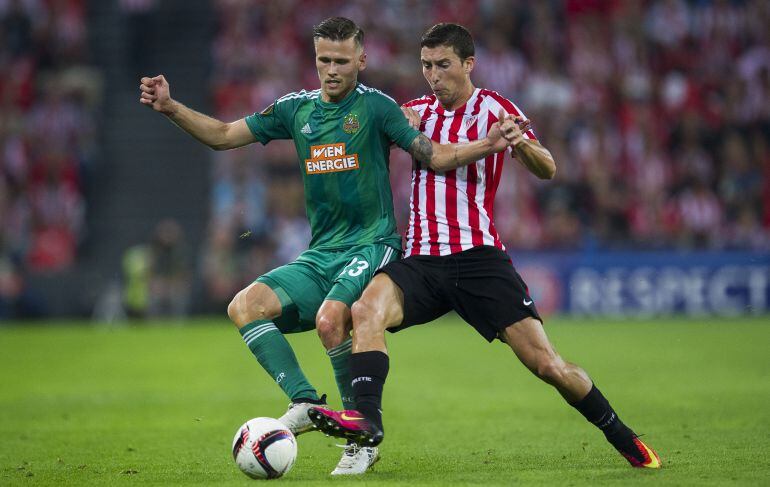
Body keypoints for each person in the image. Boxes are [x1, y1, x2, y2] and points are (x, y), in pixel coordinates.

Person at [139, 17, 519, 475]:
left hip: (372, 242)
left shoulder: (379, 108)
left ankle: (360, 436)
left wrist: (489, 143)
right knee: (244, 307)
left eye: (342, 60)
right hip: (320, 252)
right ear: (314, 59)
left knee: (329, 320)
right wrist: (170, 107)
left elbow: (435, 155)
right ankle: (303, 401)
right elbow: (222, 136)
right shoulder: (295, 110)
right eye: (324, 59)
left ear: (361, 60)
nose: (332, 69)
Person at [309, 23, 662, 470]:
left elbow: (547, 166)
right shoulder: (414, 110)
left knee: (547, 365)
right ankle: (367, 427)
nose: (433, 76)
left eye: (443, 65)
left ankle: (622, 435)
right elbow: (367, 134)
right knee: (364, 311)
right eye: (426, 66)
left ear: (468, 64)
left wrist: (519, 144)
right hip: (421, 259)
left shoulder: (495, 108)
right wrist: (392, 126)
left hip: (478, 259)